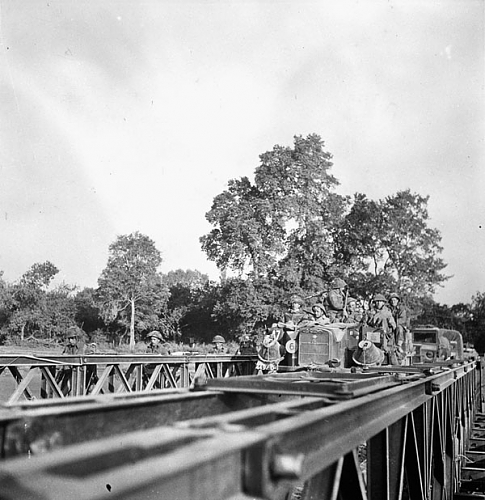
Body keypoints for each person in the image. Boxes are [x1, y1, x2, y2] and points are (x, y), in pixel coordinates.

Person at [366, 294, 402, 365]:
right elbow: (366, 323)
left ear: (383, 303)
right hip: (371, 334)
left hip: (384, 335)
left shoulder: (387, 312)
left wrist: (389, 331)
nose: (379, 303)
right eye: (377, 301)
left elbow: (393, 325)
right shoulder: (370, 312)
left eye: (381, 301)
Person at [278, 295, 306, 368]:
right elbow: (281, 323)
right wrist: (285, 325)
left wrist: (296, 326)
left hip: (298, 336)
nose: (294, 305)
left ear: (299, 305)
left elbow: (304, 324)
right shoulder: (286, 314)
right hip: (286, 336)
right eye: (293, 303)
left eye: (296, 303)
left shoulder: (303, 315)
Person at [57, 327, 84, 396]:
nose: (70, 340)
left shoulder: (82, 347)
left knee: (67, 392)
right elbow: (62, 359)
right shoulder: (67, 347)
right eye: (69, 339)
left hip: (77, 374)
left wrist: (68, 356)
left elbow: (79, 359)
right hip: (66, 372)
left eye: (72, 338)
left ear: (77, 338)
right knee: (61, 391)